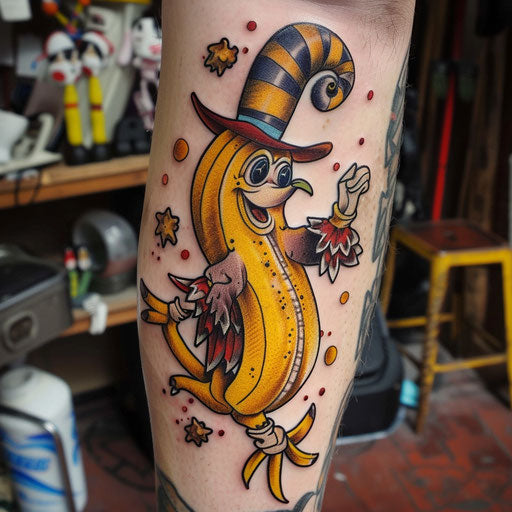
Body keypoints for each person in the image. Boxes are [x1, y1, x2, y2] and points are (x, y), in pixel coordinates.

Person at [137, 1, 415, 510]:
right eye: (263, 172)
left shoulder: (276, 235)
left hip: (282, 379)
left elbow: (314, 248)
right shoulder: (232, 257)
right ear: (229, 180)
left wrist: (343, 212)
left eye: (284, 173)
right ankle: (258, 430)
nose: (284, 184)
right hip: (250, 382)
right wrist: (181, 307)